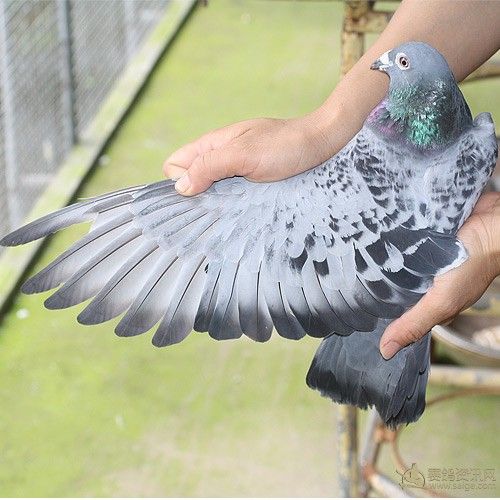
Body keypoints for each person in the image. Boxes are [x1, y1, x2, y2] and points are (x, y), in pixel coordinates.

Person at [163, 0, 500, 359]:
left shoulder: (472, 146)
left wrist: (492, 238)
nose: (386, 62)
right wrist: (323, 128)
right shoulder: (475, 143)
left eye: (399, 63)